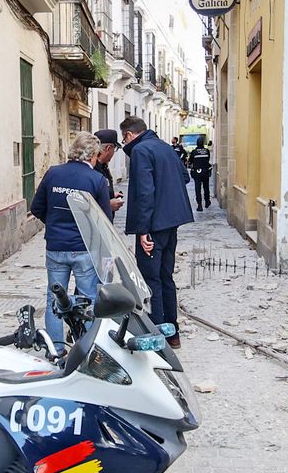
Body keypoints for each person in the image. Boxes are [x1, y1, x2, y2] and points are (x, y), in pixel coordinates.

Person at [29, 132, 118, 344]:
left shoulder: (53, 173)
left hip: (56, 247)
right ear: (93, 156)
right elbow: (104, 221)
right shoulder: (97, 180)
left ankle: (56, 350)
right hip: (83, 249)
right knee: (86, 300)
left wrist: (54, 223)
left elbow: (36, 207)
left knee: (54, 298)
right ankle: (86, 350)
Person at [120, 115, 194, 347]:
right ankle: (173, 333)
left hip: (152, 225)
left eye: (124, 139)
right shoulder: (165, 148)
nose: (125, 144)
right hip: (171, 223)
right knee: (165, 276)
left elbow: (144, 193)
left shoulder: (141, 151)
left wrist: (142, 231)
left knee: (151, 280)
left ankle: (157, 334)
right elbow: (184, 176)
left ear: (129, 135)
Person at [92, 129, 125, 220]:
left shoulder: (103, 166)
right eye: (115, 149)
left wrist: (110, 194)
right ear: (108, 148)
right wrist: (108, 205)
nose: (114, 152)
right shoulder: (92, 168)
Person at [188, 138, 213, 211]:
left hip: (197, 172)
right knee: (206, 187)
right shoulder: (206, 151)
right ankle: (207, 201)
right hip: (205, 171)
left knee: (198, 189)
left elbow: (190, 161)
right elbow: (208, 159)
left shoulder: (194, 152)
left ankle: (199, 205)